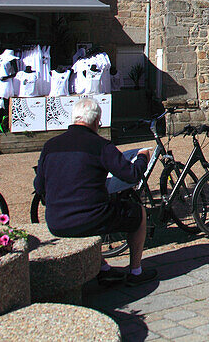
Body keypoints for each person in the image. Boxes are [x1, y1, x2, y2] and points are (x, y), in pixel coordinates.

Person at [33, 96, 157, 286]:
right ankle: (136, 271)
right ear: (98, 122)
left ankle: (104, 269)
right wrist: (142, 157)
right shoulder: (100, 145)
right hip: (89, 218)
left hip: (56, 220)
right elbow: (131, 176)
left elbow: (39, 187)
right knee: (137, 212)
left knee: (92, 211)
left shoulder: (50, 145)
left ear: (74, 118)